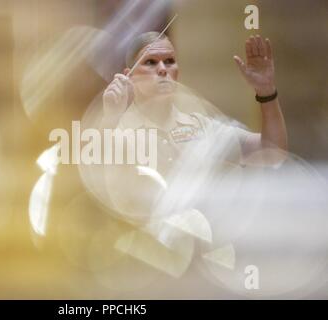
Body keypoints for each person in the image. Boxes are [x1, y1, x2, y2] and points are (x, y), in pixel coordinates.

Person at [92, 31, 288, 224]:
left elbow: (272, 152)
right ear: (129, 75)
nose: (162, 69)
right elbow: (96, 181)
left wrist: (266, 91)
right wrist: (111, 117)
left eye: (169, 61)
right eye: (150, 62)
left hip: (203, 250)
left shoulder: (202, 127)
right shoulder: (115, 128)